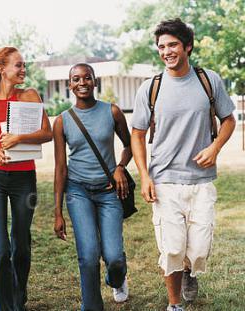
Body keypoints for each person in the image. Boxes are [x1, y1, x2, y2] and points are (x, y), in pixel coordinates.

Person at [131, 19, 236, 311]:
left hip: (201, 180)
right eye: (162, 46)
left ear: (187, 46)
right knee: (172, 248)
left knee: (199, 249)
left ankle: (189, 270)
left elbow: (229, 119)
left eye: (173, 44)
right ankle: (175, 304)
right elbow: (137, 134)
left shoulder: (208, 80)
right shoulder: (150, 88)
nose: (167, 51)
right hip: (164, 179)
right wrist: (144, 176)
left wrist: (215, 147)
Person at [0, 46, 52, 311]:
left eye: (23, 65)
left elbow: (47, 133)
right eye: (18, 65)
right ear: (2, 69)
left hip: (24, 180)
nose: (23, 70)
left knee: (20, 243)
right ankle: (4, 306)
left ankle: (19, 298)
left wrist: (19, 138)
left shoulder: (29, 95)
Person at [53, 63, 132, 311]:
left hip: (109, 192)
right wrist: (58, 212)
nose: (82, 83)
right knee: (88, 256)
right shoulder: (62, 121)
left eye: (87, 78)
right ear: (70, 85)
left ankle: (117, 279)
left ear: (95, 82)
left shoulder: (113, 112)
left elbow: (130, 146)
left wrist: (120, 167)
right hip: (78, 191)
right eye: (76, 79)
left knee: (114, 258)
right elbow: (60, 169)